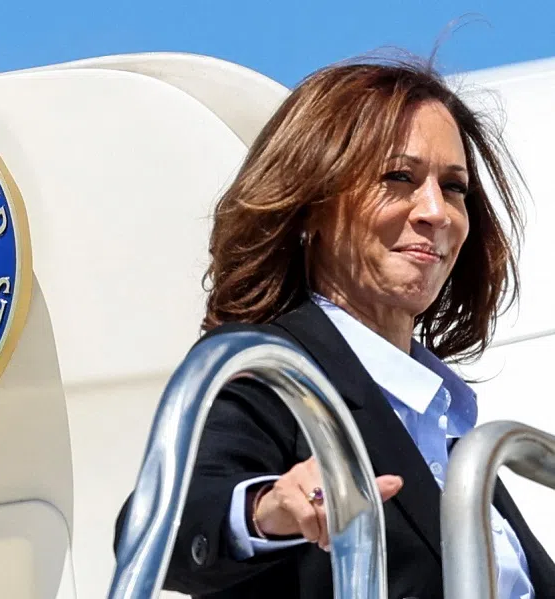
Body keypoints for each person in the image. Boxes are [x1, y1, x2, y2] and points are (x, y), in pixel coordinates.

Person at [113, 57, 555, 599]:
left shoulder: (448, 425)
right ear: (312, 206)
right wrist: (267, 509)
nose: (437, 212)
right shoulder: (272, 371)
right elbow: (163, 527)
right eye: (399, 177)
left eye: (454, 187)